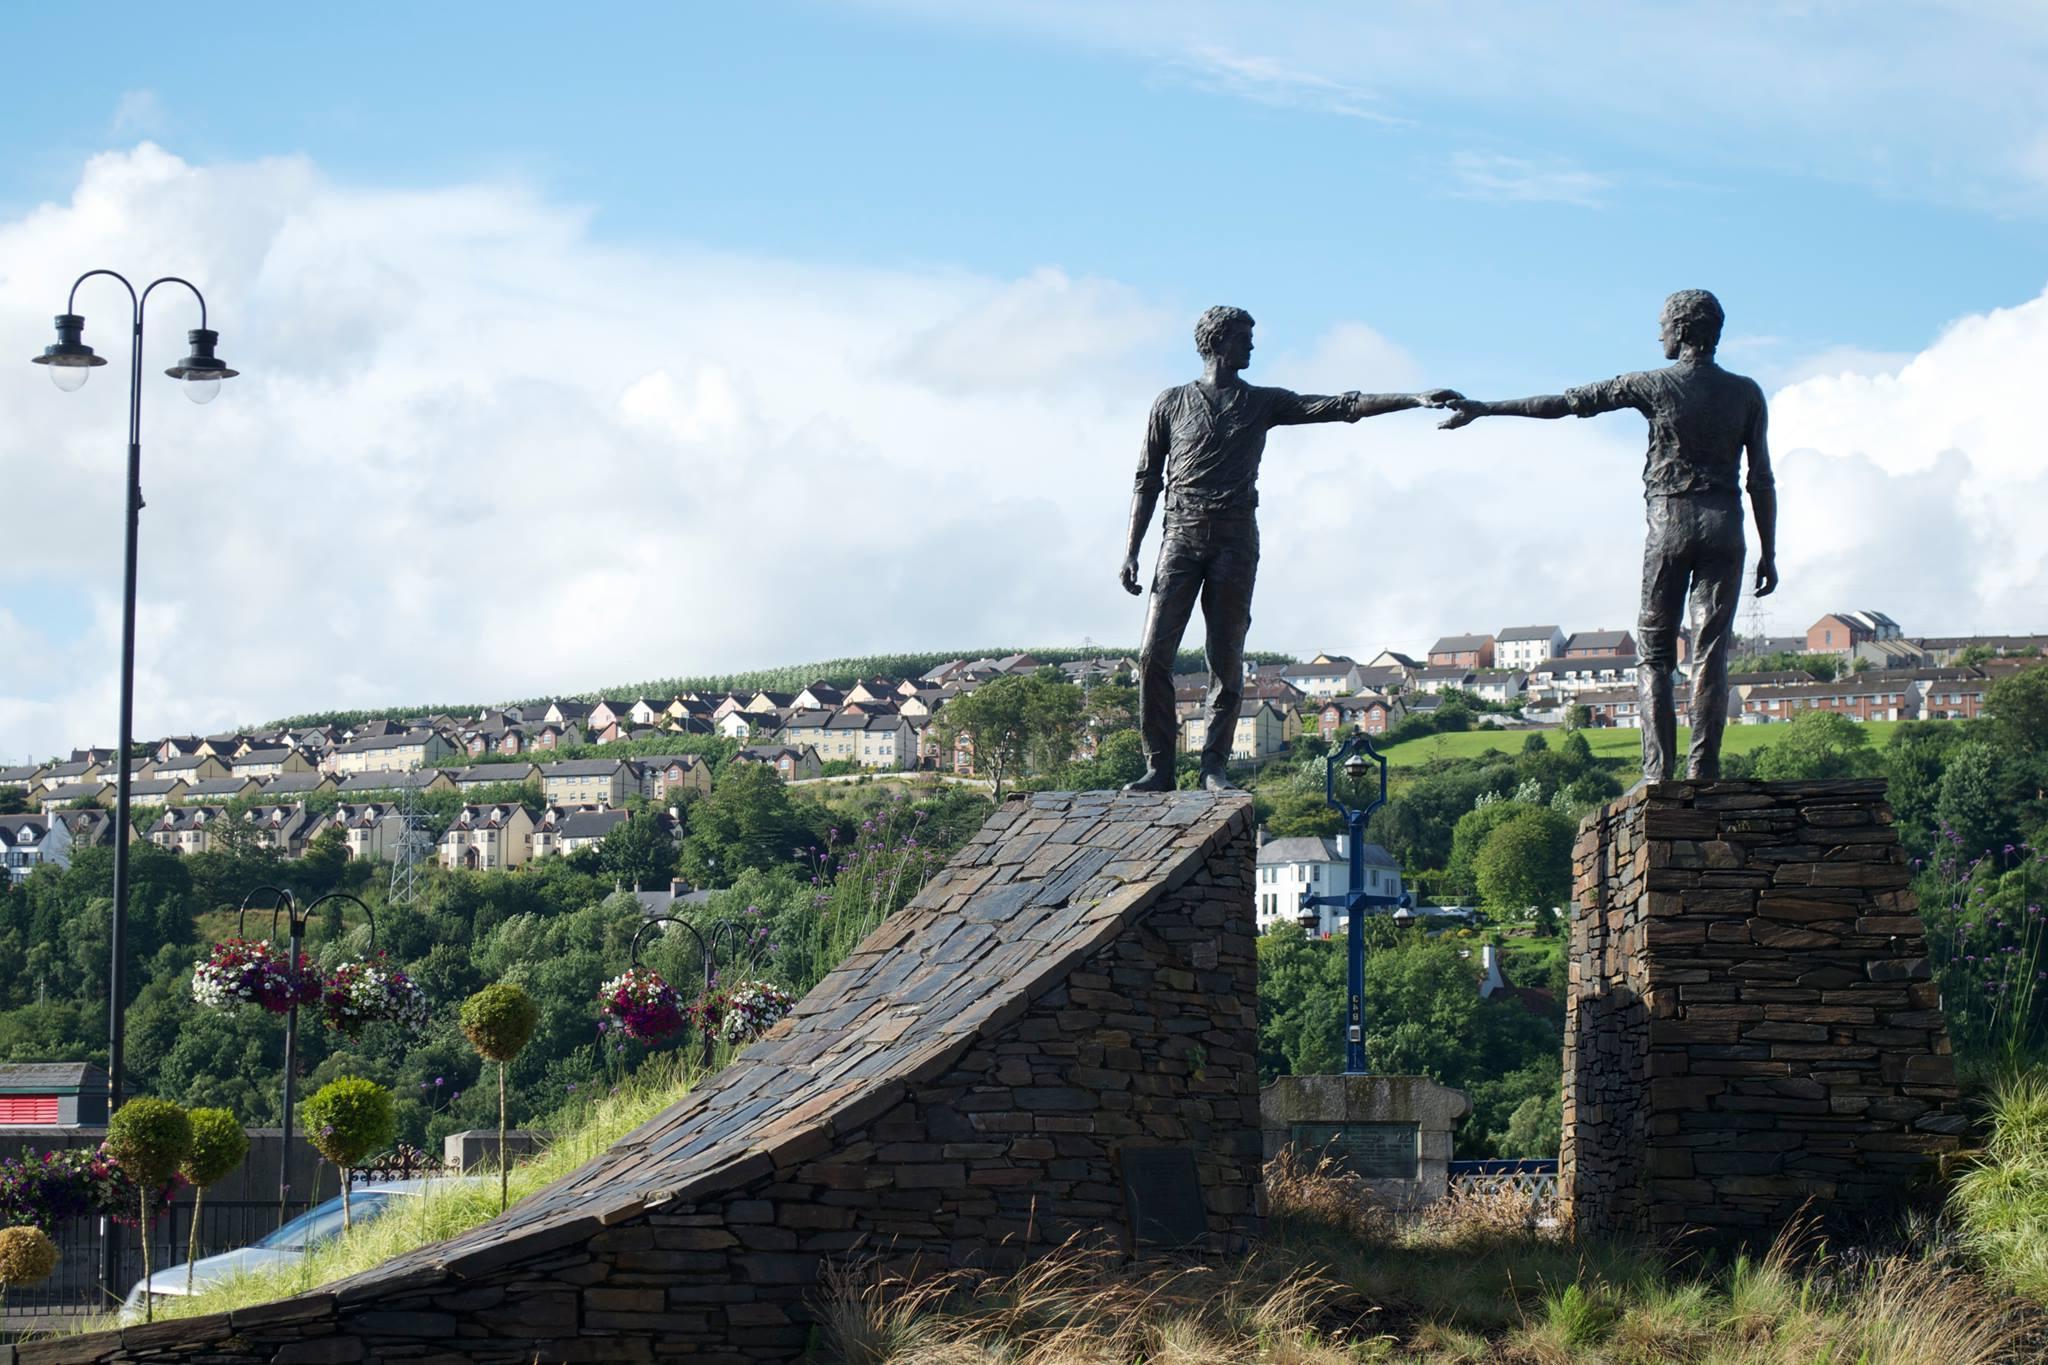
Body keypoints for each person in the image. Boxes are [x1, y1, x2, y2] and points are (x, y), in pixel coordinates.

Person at [1438, 288, 1777, 780]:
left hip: (1671, 524)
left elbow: (1568, 402)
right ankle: (1703, 771)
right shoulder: (1747, 393)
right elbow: (1760, 478)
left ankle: (1658, 772)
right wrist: (1769, 550)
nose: (1658, 333)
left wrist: (1486, 408)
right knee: (1710, 654)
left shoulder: (1653, 384)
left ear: (1681, 330)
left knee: (1655, 656)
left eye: (1662, 325)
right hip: (1726, 526)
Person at [1122, 305, 1459, 791]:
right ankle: (1159, 767)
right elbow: (1146, 479)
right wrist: (1132, 549)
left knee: (1226, 656)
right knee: (1153, 654)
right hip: (1179, 534)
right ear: (1217, 342)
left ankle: (1213, 765)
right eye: (1243, 337)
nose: (1252, 347)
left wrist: (1413, 398)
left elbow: (1341, 406)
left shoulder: (1262, 402)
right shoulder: (1170, 403)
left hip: (1236, 539)